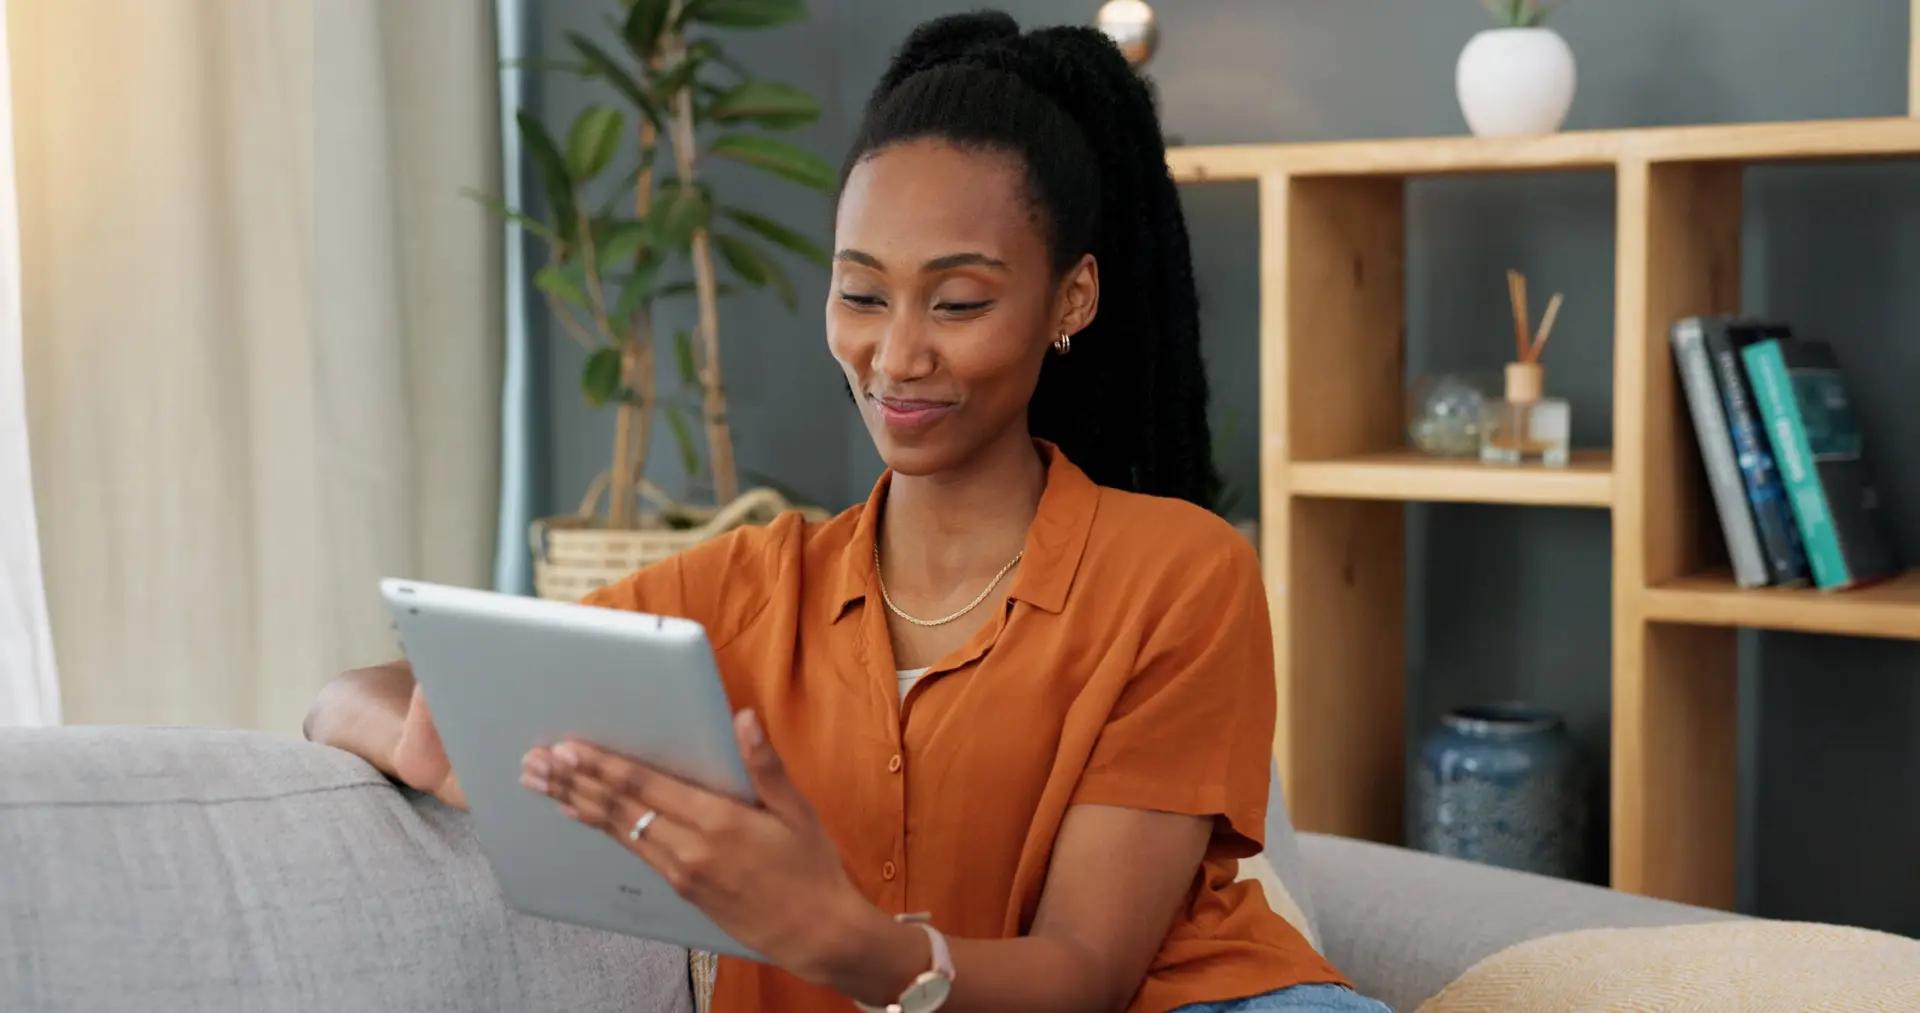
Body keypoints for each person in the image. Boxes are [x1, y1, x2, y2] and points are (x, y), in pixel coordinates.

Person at [306, 11, 1388, 1013]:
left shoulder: (1177, 570)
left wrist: (845, 939)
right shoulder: (744, 589)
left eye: (959, 301)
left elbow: (1086, 973)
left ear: (1073, 298)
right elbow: (358, 688)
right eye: (862, 293)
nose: (898, 354)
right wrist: (426, 732)